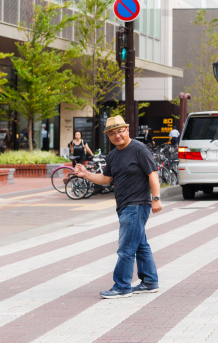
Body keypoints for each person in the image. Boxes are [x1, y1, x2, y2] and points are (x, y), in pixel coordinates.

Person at [74, 116, 161, 299]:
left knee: (126, 248)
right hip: (124, 206)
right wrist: (86, 174)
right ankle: (150, 281)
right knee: (140, 245)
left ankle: (122, 286)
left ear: (127, 130)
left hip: (136, 205)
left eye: (120, 131)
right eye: (112, 133)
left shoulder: (139, 149)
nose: (117, 136)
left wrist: (156, 198)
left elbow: (152, 174)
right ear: (108, 136)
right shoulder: (113, 155)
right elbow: (106, 179)